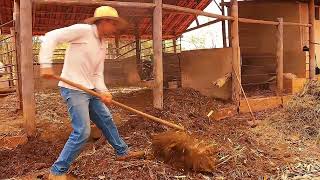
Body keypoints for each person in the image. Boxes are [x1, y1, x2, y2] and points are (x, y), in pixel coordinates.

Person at [39, 6, 141, 179]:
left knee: (106, 119)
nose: (115, 28)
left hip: (90, 90)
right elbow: (51, 36)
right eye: (113, 23)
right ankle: (57, 172)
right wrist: (45, 64)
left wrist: (104, 92)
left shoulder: (103, 44)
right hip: (74, 89)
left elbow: (96, 73)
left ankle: (122, 152)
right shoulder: (83, 31)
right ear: (104, 22)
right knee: (83, 131)